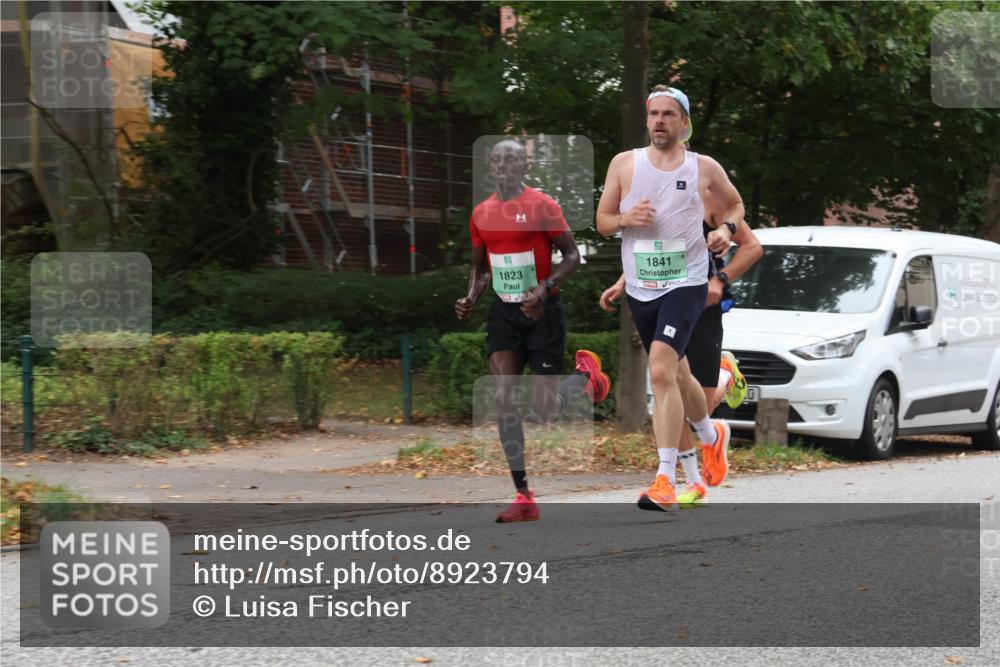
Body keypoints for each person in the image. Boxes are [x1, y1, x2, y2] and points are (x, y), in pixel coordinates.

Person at [595, 85, 743, 511]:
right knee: (678, 376)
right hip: (643, 286)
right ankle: (713, 437)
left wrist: (725, 231)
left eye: (668, 114)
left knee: (659, 369)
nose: (659, 120)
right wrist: (625, 218)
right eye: (653, 114)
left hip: (688, 282)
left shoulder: (703, 167)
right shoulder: (625, 164)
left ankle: (664, 479)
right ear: (647, 120)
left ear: (683, 123)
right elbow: (603, 222)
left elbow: (735, 206)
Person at [456, 139, 611, 523]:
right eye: (497, 162)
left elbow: (574, 256)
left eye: (511, 161)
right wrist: (471, 296)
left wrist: (545, 288)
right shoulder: (481, 214)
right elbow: (482, 269)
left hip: (544, 313)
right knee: (504, 398)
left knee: (545, 408)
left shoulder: (542, 205)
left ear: (525, 167)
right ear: (491, 168)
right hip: (504, 313)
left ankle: (586, 379)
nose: (503, 167)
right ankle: (523, 495)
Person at [599, 186, 762, 505]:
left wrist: (720, 281)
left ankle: (725, 375)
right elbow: (652, 247)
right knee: (666, 385)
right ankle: (682, 481)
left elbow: (752, 247)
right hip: (659, 302)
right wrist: (623, 281)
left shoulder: (708, 197)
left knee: (694, 405)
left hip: (700, 306)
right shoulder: (648, 198)